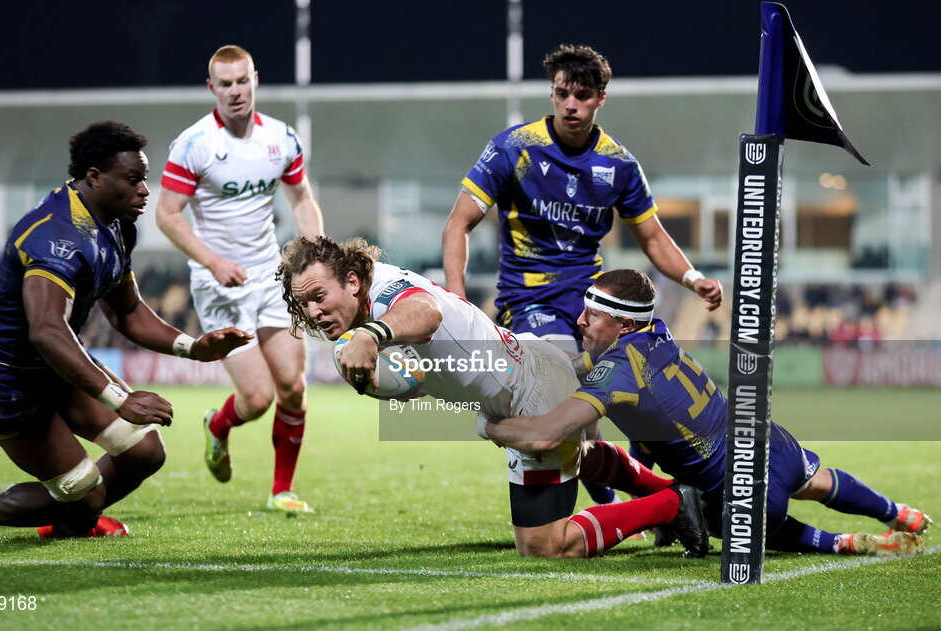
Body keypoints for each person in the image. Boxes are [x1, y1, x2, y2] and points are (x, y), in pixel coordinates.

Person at [276, 235, 709, 559]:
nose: (313, 312)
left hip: (531, 395)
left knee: (543, 546)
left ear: (352, 281)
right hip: (532, 361)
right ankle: (669, 489)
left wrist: (373, 335)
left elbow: (427, 313)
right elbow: (415, 375)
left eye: (318, 297)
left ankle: (670, 506)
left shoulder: (388, 294)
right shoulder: (368, 302)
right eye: (304, 305)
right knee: (581, 453)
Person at [0, 121, 250, 539]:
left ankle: (74, 519)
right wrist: (118, 399)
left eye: (143, 180)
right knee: (82, 492)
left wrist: (194, 347)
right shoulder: (55, 236)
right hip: (2, 377)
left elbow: (127, 312)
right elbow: (46, 330)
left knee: (145, 450)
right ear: (94, 176)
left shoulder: (117, 225)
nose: (145, 190)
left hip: (54, 366)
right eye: (133, 180)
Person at [441, 43, 722, 507]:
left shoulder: (619, 165)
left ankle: (666, 500)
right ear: (552, 94)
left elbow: (652, 238)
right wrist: (455, 294)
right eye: (562, 94)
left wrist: (692, 278)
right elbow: (459, 223)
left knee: (642, 399)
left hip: (596, 303)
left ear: (600, 98)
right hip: (532, 302)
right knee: (575, 414)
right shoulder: (514, 148)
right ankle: (636, 505)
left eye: (583, 95)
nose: (571, 104)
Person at [483, 269, 932, 557]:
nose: (579, 321)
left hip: (735, 490)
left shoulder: (620, 371)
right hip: (767, 439)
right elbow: (586, 372)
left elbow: (543, 436)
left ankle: (838, 543)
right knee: (816, 481)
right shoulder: (656, 333)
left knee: (727, 516)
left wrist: (491, 424)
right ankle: (898, 513)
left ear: (623, 326)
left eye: (593, 315)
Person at [156, 44, 324, 514]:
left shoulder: (281, 139)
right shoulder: (194, 145)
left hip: (270, 277)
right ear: (212, 88)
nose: (235, 91)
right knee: (256, 398)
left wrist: (317, 257)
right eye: (225, 84)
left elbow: (302, 200)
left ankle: (282, 491)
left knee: (293, 387)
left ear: (255, 80)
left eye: (242, 81)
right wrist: (212, 261)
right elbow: (167, 215)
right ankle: (218, 426)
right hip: (219, 286)